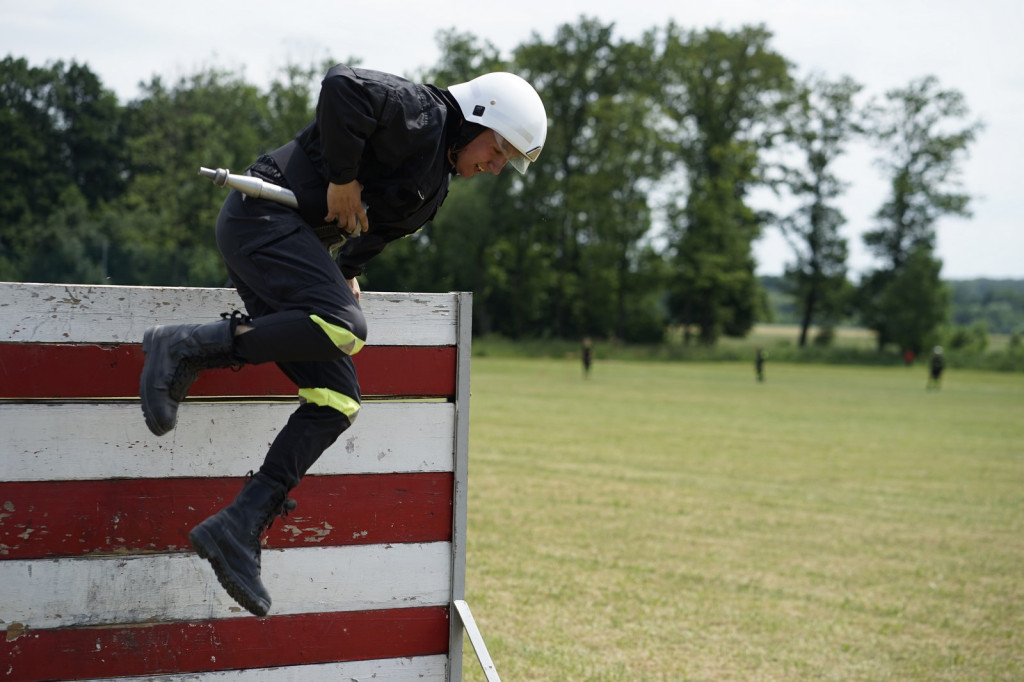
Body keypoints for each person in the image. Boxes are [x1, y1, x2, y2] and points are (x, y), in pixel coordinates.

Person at [138, 65, 547, 617]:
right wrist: (341, 177)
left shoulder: (434, 185)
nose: (497, 168)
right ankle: (185, 346)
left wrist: (346, 271)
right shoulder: (424, 114)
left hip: (285, 243)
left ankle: (238, 526)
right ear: (479, 118)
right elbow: (341, 87)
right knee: (347, 328)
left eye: (506, 162)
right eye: (498, 152)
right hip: (260, 219)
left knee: (339, 400)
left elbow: (370, 236)